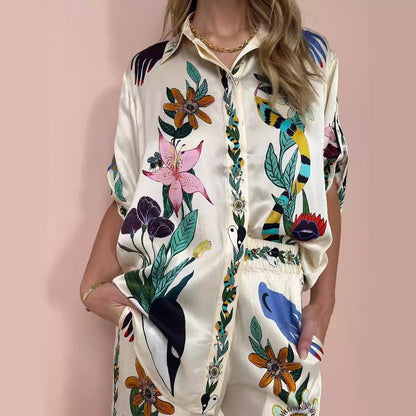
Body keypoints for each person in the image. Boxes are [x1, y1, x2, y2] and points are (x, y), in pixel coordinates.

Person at [80, 0, 349, 415]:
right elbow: (130, 194)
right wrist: (95, 288)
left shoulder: (311, 60)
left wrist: (324, 303)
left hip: (275, 342)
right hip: (166, 339)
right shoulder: (149, 73)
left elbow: (328, 179)